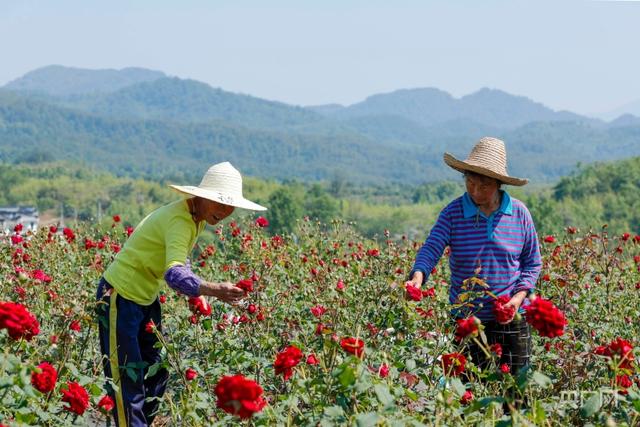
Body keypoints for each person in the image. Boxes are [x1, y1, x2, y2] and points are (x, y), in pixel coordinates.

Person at [96, 162, 266, 427]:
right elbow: (174, 274)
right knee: (126, 381)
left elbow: (180, 262)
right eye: (220, 203)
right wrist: (213, 289)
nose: (226, 211)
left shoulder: (194, 217)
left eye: (230, 205)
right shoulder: (180, 220)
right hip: (121, 295)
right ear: (203, 197)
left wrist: (197, 291)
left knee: (156, 372)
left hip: (145, 298)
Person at [408, 137, 542, 376]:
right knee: (470, 392)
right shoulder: (453, 213)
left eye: (483, 186)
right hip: (467, 319)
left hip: (512, 320)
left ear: (499, 184)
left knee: (515, 393)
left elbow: (532, 263)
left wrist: (519, 298)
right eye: (469, 183)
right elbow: (431, 248)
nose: (475, 191)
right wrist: (418, 275)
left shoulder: (519, 213)